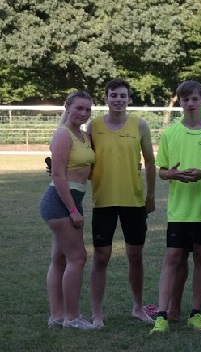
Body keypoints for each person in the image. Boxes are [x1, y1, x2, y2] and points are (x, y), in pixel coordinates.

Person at [150, 81, 201, 334]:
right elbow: (161, 172)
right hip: (179, 211)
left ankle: (196, 313)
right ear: (180, 102)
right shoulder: (171, 133)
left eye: (194, 99)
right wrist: (173, 175)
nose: (190, 104)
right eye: (185, 100)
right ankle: (162, 314)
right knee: (172, 258)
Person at [88, 78, 155, 327]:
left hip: (134, 201)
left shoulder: (140, 125)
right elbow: (84, 157)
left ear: (129, 99)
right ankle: (97, 314)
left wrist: (150, 196)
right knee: (101, 256)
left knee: (135, 255)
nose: (118, 99)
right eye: (114, 95)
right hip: (103, 201)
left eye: (123, 96)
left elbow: (149, 161)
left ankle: (138, 308)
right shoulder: (93, 126)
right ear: (106, 98)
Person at [43, 91, 97, 330]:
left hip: (73, 199)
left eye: (87, 109)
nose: (83, 113)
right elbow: (58, 175)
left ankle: (57, 316)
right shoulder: (63, 135)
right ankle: (72, 318)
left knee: (60, 258)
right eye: (79, 108)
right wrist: (73, 210)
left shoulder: (83, 136)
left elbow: (87, 170)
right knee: (78, 257)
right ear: (67, 107)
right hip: (60, 202)